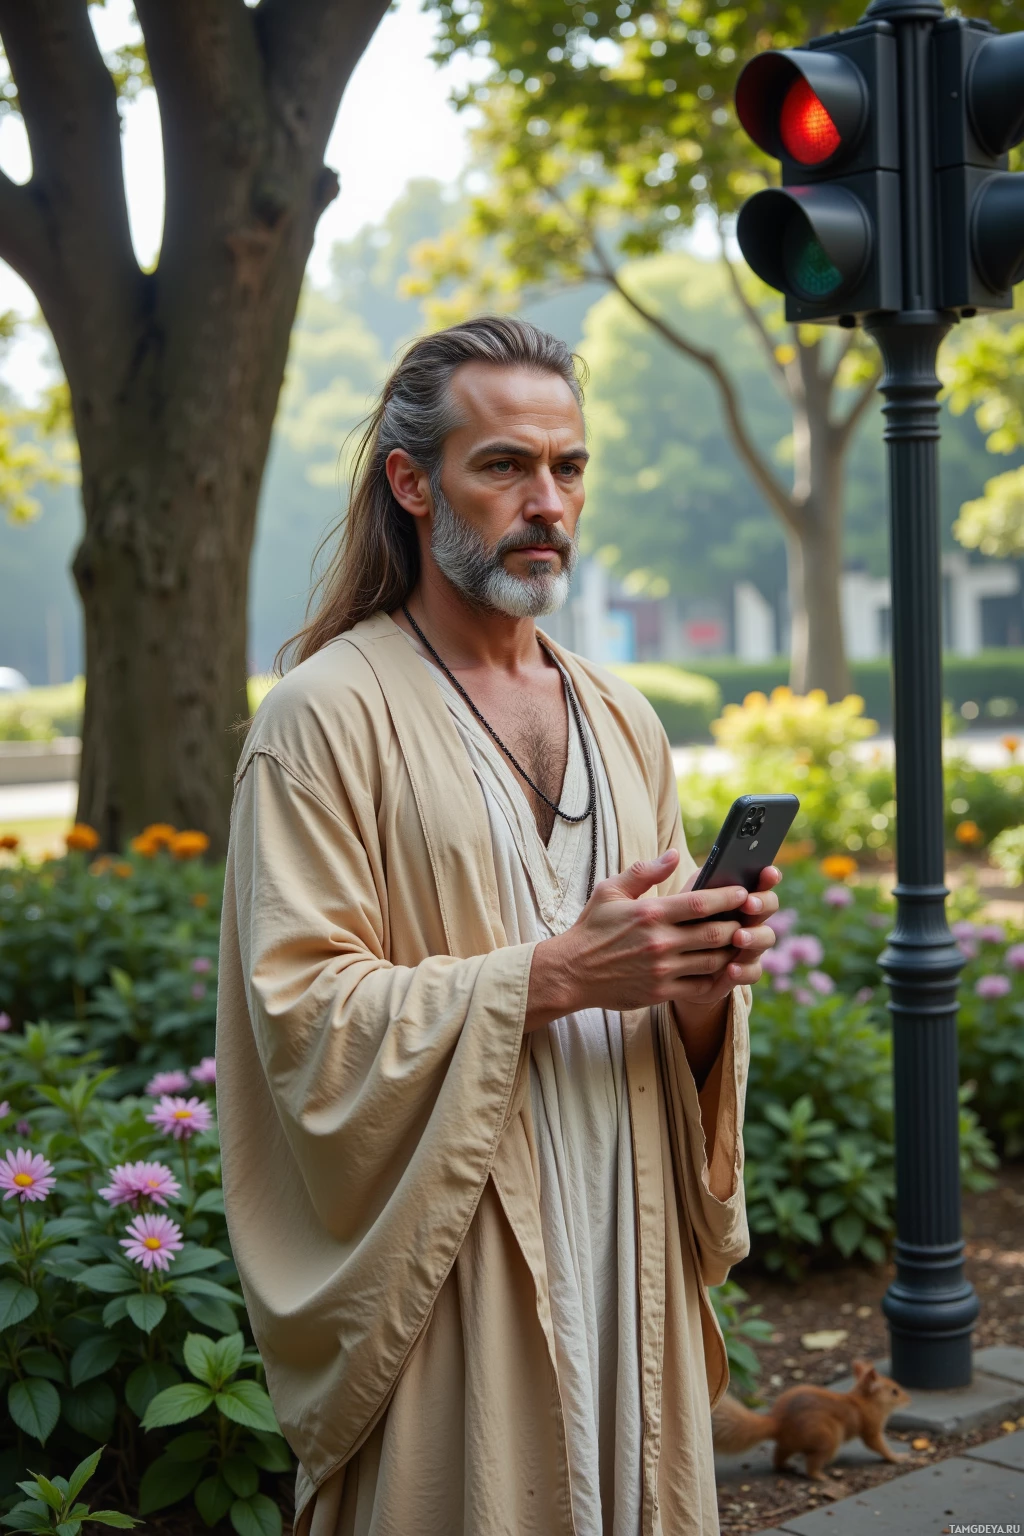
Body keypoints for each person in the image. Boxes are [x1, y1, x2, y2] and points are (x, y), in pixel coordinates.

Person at [216, 315, 781, 1536]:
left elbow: (674, 1029)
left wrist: (698, 981)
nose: (546, 502)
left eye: (567, 467)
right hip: (455, 1257)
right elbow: (299, 1016)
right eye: (504, 467)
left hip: (627, 1232)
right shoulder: (324, 719)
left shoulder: (624, 717)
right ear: (413, 484)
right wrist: (554, 975)